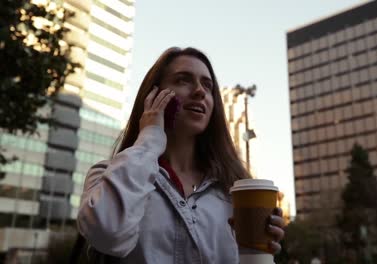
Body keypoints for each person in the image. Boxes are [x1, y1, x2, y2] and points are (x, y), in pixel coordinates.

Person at [76, 47, 285, 263]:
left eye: (207, 85)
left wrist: (261, 248)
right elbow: (107, 233)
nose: (200, 91)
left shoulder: (233, 187)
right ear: (153, 96)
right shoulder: (107, 176)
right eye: (183, 80)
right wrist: (150, 136)